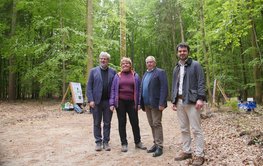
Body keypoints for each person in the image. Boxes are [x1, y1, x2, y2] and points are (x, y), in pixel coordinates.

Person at [171, 43, 206, 165]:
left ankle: (200, 154)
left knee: (196, 129)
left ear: (188, 52)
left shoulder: (195, 65)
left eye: (184, 51)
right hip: (180, 101)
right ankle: (187, 151)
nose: (182, 53)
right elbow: (175, 85)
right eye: (180, 51)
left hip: (192, 101)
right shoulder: (176, 68)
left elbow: (201, 82)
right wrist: (174, 100)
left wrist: (200, 98)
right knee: (184, 128)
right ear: (177, 53)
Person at [110, 57, 146, 152]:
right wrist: (112, 103)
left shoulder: (135, 76)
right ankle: (124, 143)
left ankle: (138, 142)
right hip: (120, 102)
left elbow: (139, 90)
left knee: (135, 122)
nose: (125, 65)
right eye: (123, 63)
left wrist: (138, 103)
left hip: (132, 103)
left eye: (127, 63)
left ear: (130, 65)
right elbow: (113, 90)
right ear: (121, 65)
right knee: (122, 123)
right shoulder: (117, 76)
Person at [86, 52, 116, 151]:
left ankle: (106, 142)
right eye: (101, 58)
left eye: (105, 59)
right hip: (96, 102)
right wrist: (90, 100)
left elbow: (115, 87)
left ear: (108, 61)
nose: (103, 60)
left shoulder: (113, 72)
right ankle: (98, 142)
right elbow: (89, 87)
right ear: (99, 59)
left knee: (107, 123)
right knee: (97, 123)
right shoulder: (93, 71)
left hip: (108, 102)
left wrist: (113, 102)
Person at [140, 56, 168, 157]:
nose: (149, 64)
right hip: (147, 104)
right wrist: (140, 102)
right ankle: (155, 143)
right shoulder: (146, 74)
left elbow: (164, 88)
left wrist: (162, 103)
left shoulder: (160, 72)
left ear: (155, 63)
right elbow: (142, 88)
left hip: (156, 104)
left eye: (151, 62)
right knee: (151, 123)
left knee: (156, 123)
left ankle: (160, 146)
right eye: (147, 62)